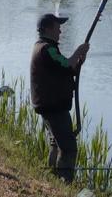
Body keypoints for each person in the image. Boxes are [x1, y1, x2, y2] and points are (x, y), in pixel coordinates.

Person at [30, 13, 89, 183]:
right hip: (53, 107)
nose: (61, 31)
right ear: (49, 28)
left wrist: (78, 62)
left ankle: (51, 179)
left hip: (50, 105)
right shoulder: (47, 49)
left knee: (56, 144)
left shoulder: (45, 47)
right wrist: (78, 51)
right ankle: (64, 182)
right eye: (58, 27)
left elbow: (64, 68)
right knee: (68, 148)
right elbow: (64, 63)